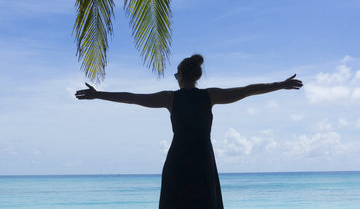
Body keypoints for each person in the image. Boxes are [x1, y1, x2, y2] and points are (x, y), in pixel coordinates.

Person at [75, 54, 303, 209]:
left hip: (179, 158)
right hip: (203, 157)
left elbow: (133, 98)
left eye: (176, 75)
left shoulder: (170, 98)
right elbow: (247, 91)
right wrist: (280, 85)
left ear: (181, 76)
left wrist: (99, 95)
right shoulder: (209, 96)